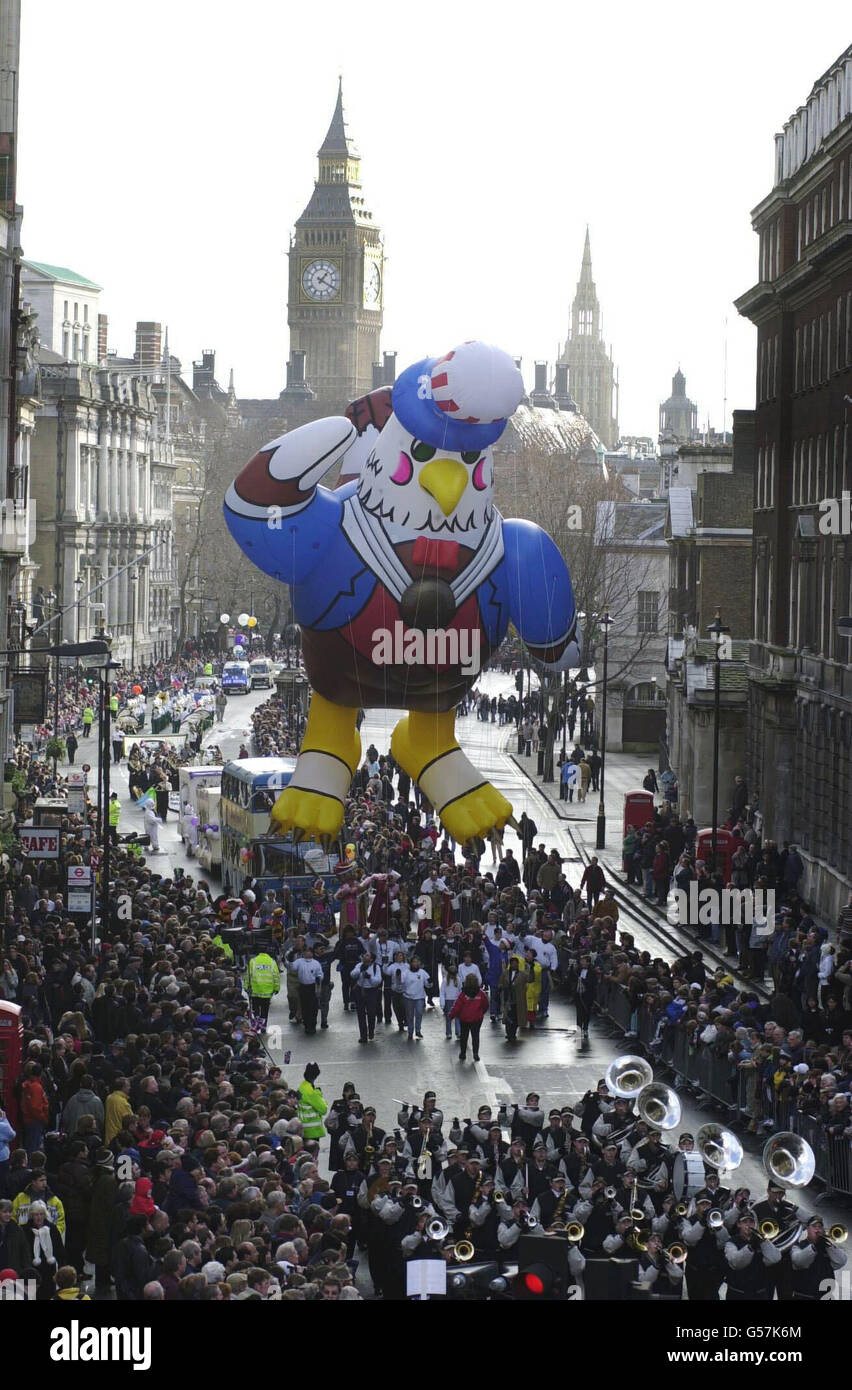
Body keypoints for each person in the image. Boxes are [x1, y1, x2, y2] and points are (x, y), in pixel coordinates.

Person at [449, 975, 489, 1062]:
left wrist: (451, 1015)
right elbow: (485, 1005)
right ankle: (475, 1054)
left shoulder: (463, 994)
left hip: (464, 1019)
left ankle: (463, 1053)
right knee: (475, 1036)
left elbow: (457, 1006)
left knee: (464, 1036)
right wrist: (481, 1013)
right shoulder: (481, 993)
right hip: (476, 1019)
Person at [244, 946, 281, 1025]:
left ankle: (256, 1026)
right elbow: (276, 976)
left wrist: (246, 986)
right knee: (265, 1010)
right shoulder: (272, 962)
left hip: (255, 991)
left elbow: (248, 975)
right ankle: (263, 1026)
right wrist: (277, 988)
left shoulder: (253, 961)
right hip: (267, 992)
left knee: (255, 1009)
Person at [296, 1062, 327, 1140]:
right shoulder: (311, 1092)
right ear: (317, 1074)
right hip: (312, 1131)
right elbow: (323, 1109)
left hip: (303, 1129)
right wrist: (318, 1094)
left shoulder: (302, 1086)